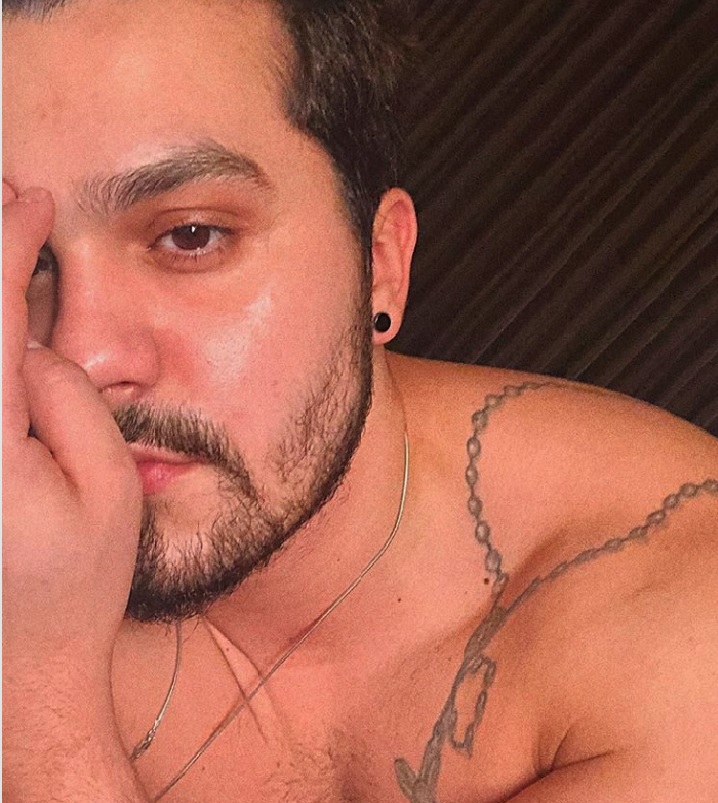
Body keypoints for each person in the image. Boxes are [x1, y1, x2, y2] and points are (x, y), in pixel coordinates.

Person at [3, 0, 717, 801]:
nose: (84, 356)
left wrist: (40, 706)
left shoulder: (681, 634)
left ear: (380, 263)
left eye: (191, 236)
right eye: (27, 262)